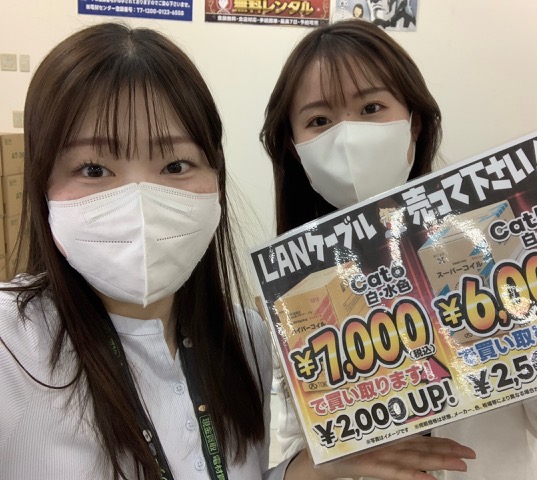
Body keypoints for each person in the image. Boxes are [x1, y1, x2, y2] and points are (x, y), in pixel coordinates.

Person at [0, 22, 475, 480]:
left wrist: (315, 468)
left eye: (175, 164)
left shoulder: (244, 340)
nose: (139, 199)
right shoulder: (10, 344)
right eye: (93, 169)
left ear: (217, 179)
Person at [260, 18, 537, 480]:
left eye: (371, 107)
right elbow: (291, 454)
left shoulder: (498, 240)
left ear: (413, 123)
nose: (348, 135)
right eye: (319, 121)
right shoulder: (295, 291)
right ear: (295, 148)